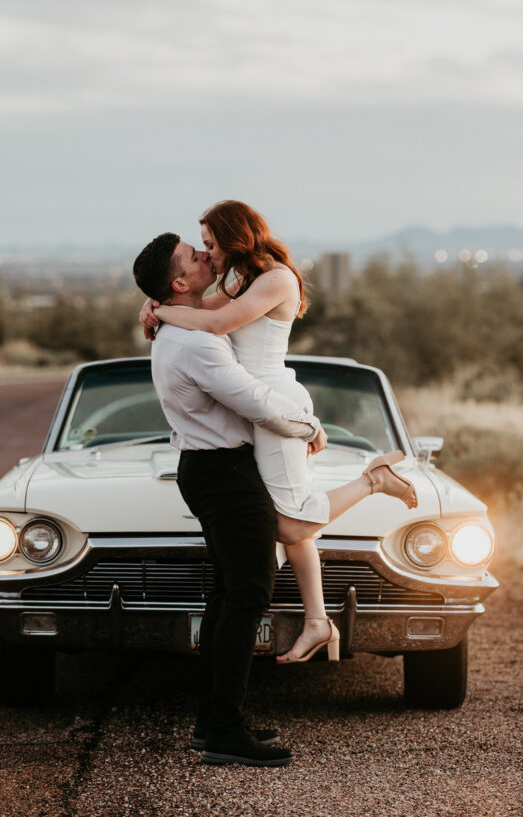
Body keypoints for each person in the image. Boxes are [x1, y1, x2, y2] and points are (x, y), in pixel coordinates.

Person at [139, 200, 417, 665]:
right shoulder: (235, 280)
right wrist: (156, 304)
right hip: (256, 409)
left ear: (234, 238)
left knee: (290, 523)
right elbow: (194, 304)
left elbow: (212, 322)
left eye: (210, 244)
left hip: (276, 408)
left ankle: (375, 479)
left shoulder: (277, 279)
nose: (207, 253)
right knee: (293, 526)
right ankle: (316, 621)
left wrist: (161, 312)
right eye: (201, 248)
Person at [132, 231, 329, 768]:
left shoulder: (181, 328)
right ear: (179, 282)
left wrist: (154, 308)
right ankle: (223, 729)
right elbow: (257, 402)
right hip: (223, 475)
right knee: (247, 596)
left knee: (227, 596)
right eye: (193, 256)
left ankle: (215, 720)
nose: (203, 256)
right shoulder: (194, 342)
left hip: (210, 470)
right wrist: (309, 424)